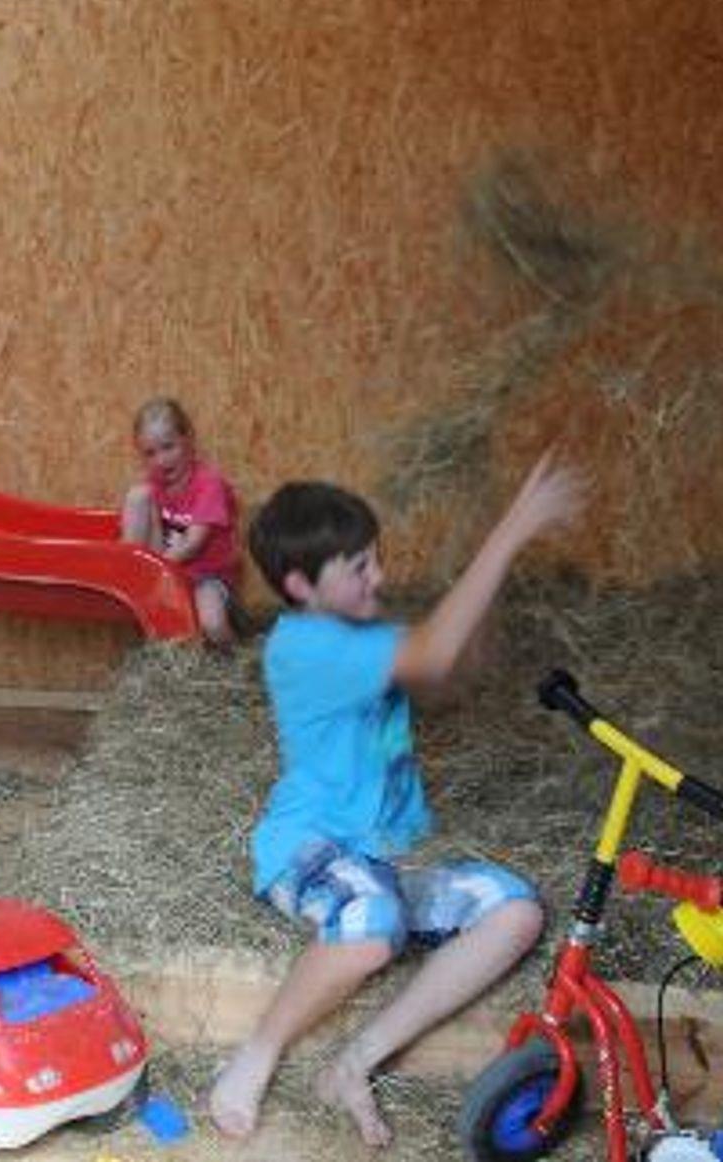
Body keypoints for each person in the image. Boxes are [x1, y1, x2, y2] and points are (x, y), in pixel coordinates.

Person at [207, 454, 582, 1148]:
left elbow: (449, 674)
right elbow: (435, 655)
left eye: (375, 560)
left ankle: (355, 1062)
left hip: (382, 856)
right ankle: (254, 1057)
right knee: (373, 923)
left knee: (515, 911)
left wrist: (484, 593)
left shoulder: (365, 635)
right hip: (312, 849)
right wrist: (508, 534)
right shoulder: (305, 644)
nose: (377, 577)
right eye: (358, 568)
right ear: (301, 585)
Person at [118, 396, 242, 647]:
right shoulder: (154, 485)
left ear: (188, 439)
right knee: (137, 496)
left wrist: (158, 571)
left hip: (207, 576)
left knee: (213, 624)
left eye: (168, 447)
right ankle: (128, 577)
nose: (161, 460)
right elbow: (139, 530)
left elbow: (193, 543)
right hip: (168, 570)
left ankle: (238, 659)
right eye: (150, 453)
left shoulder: (209, 484)